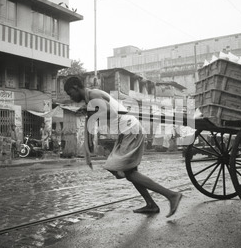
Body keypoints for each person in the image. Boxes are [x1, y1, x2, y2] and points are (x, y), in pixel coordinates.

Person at [64, 76, 182, 217]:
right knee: (131, 174)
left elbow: (110, 112)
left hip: (130, 129)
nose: (70, 97)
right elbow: (89, 125)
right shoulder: (89, 100)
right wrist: (87, 153)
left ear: (76, 87)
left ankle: (172, 195)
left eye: (70, 93)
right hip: (126, 131)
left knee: (121, 169)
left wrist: (90, 112)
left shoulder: (94, 94)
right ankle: (151, 204)